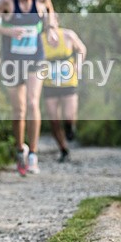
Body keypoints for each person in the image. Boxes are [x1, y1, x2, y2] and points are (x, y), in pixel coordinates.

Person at [0, 0, 56, 176]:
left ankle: (33, 154)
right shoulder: (7, 2)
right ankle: (19, 149)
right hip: (12, 61)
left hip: (36, 58)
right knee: (19, 111)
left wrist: (51, 32)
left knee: (33, 103)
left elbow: (50, 18)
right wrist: (9, 31)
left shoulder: (43, 0)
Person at [41, 18, 86, 162]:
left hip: (68, 81)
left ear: (57, 20)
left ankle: (70, 127)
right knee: (53, 120)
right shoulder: (39, 39)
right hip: (49, 83)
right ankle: (63, 149)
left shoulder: (68, 35)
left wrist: (79, 64)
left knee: (69, 115)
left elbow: (81, 49)